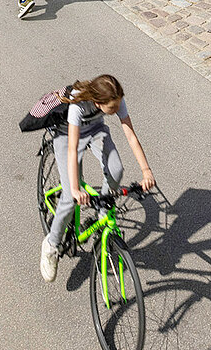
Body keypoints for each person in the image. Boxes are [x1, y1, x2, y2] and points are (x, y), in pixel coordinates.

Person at [40, 75, 157, 283]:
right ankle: (51, 244)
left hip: (95, 130)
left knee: (116, 169)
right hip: (67, 136)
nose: (116, 111)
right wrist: (75, 189)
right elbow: (73, 150)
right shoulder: (78, 105)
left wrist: (146, 170)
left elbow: (131, 136)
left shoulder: (116, 98)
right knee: (69, 197)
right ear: (97, 102)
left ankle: (103, 214)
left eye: (117, 106)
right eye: (111, 109)